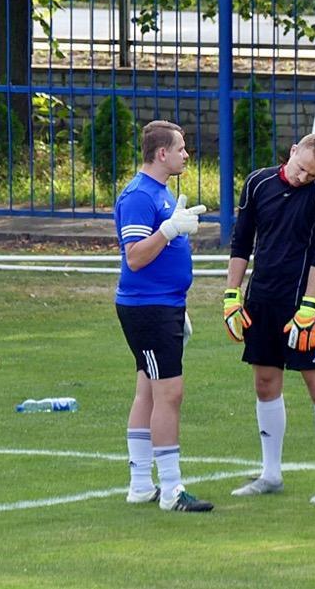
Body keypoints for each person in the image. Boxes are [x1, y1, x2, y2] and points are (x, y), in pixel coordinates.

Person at [223, 132, 315, 504]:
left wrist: (309, 307)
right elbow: (241, 241)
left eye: (312, 175)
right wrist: (232, 296)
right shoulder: (257, 182)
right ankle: (270, 474)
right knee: (264, 382)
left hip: (302, 305)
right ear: (292, 152)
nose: (303, 178)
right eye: (301, 169)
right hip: (261, 299)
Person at [114, 120, 213, 513]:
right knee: (169, 394)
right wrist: (170, 230)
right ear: (161, 154)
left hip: (163, 306)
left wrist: (179, 306)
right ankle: (171, 490)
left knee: (147, 392)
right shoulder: (140, 195)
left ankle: (141, 485)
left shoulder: (160, 192)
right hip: (149, 308)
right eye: (181, 148)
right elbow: (135, 257)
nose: (186, 154)